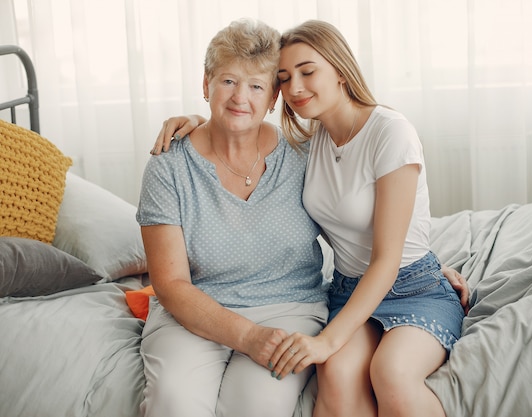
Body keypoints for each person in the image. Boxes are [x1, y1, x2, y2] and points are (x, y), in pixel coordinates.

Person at [151, 20, 470, 417]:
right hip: (349, 291)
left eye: (307, 72)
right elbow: (234, 125)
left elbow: (390, 251)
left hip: (405, 289)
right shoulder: (312, 143)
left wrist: (431, 267)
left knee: (390, 373)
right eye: (285, 78)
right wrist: (198, 122)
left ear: (339, 70)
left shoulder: (383, 133)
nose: (296, 87)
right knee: (335, 374)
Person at [136, 19, 329, 417]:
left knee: (259, 405)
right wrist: (247, 336)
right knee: (174, 399)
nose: (241, 97)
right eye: (228, 81)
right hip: (191, 315)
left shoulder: (303, 154)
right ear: (206, 84)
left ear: (274, 97)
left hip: (289, 309)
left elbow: (358, 225)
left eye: (256, 86)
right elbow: (170, 284)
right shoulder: (168, 167)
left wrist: (418, 267)